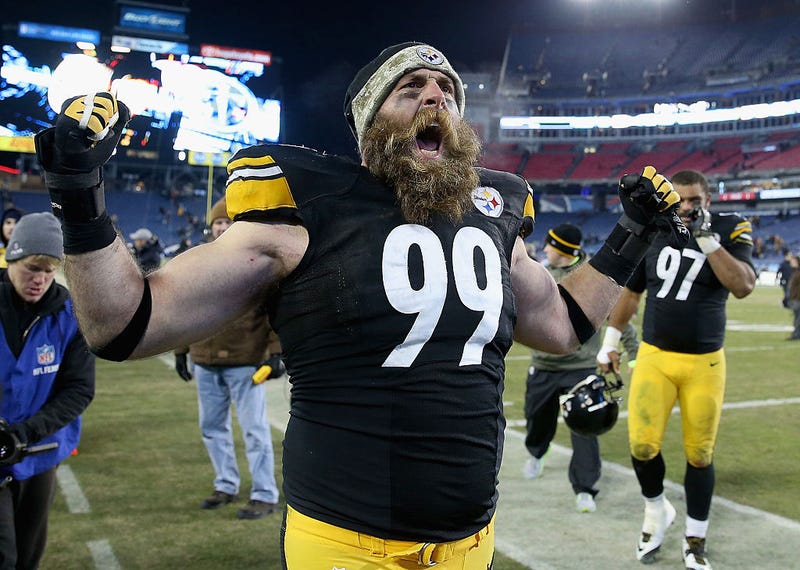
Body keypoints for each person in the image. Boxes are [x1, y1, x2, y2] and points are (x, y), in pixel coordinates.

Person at [32, 45, 686, 569]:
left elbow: (566, 325)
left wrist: (629, 234)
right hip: (344, 544)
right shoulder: (302, 210)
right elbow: (124, 323)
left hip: (467, 543)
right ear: (371, 123)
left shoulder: (493, 215)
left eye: (449, 92)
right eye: (413, 89)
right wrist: (79, 197)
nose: (437, 96)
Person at [597, 169, 755, 569]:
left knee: (700, 454)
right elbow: (631, 295)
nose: (685, 207)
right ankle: (656, 512)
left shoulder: (729, 227)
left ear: (708, 200)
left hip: (705, 362)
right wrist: (610, 344)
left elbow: (743, 285)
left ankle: (696, 537)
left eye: (694, 201)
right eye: (679, 200)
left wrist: (706, 238)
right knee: (642, 446)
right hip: (655, 356)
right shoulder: (658, 228)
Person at [173, 196, 283, 519]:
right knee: (211, 427)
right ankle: (226, 484)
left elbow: (272, 313)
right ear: (211, 227)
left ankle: (264, 494)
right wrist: (181, 351)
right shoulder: (194, 261)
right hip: (204, 359)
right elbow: (183, 308)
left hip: (246, 360)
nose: (221, 227)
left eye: (226, 222)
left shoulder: (256, 261)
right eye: (217, 223)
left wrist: (275, 354)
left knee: (254, 430)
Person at [0, 212, 95, 569]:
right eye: (31, 268)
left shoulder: (71, 314)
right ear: (11, 256)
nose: (39, 279)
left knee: (27, 555)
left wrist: (26, 432)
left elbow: (79, 389)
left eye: (49, 270)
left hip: (40, 451)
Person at [522, 223, 603, 514]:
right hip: (543, 365)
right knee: (537, 420)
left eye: (550, 245)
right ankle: (537, 452)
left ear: (564, 250)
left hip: (581, 367)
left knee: (585, 427)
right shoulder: (539, 275)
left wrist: (623, 350)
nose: (544, 249)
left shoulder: (591, 278)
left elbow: (617, 315)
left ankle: (585, 488)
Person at [785, 254, 800, 340]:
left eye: (793, 261)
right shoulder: (795, 272)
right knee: (797, 318)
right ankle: (796, 334)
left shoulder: (798, 273)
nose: (791, 262)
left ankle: (796, 335)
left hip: (797, 298)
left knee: (798, 319)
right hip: (794, 298)